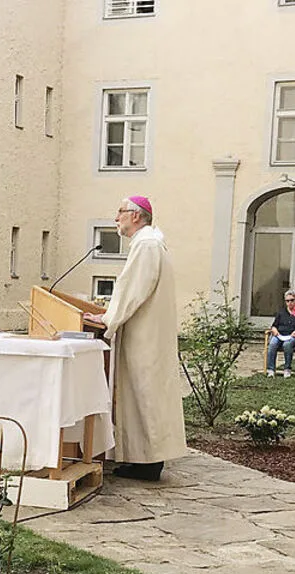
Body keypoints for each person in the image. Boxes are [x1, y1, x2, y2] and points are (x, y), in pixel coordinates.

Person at [82, 196, 187, 482]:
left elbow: (133, 289)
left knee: (144, 394)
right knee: (143, 394)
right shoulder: (149, 243)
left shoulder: (147, 245)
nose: (116, 218)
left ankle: (148, 463)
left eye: (120, 212)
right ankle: (142, 459)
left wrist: (108, 319)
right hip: (147, 332)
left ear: (136, 216)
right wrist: (110, 315)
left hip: (145, 335)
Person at [265, 290, 295, 378]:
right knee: (272, 343)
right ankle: (271, 370)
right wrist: (274, 329)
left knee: (287, 344)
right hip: (279, 335)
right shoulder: (281, 312)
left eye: (292, 300)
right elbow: (274, 325)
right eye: (287, 301)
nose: (289, 303)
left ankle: (287, 369)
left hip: (292, 336)